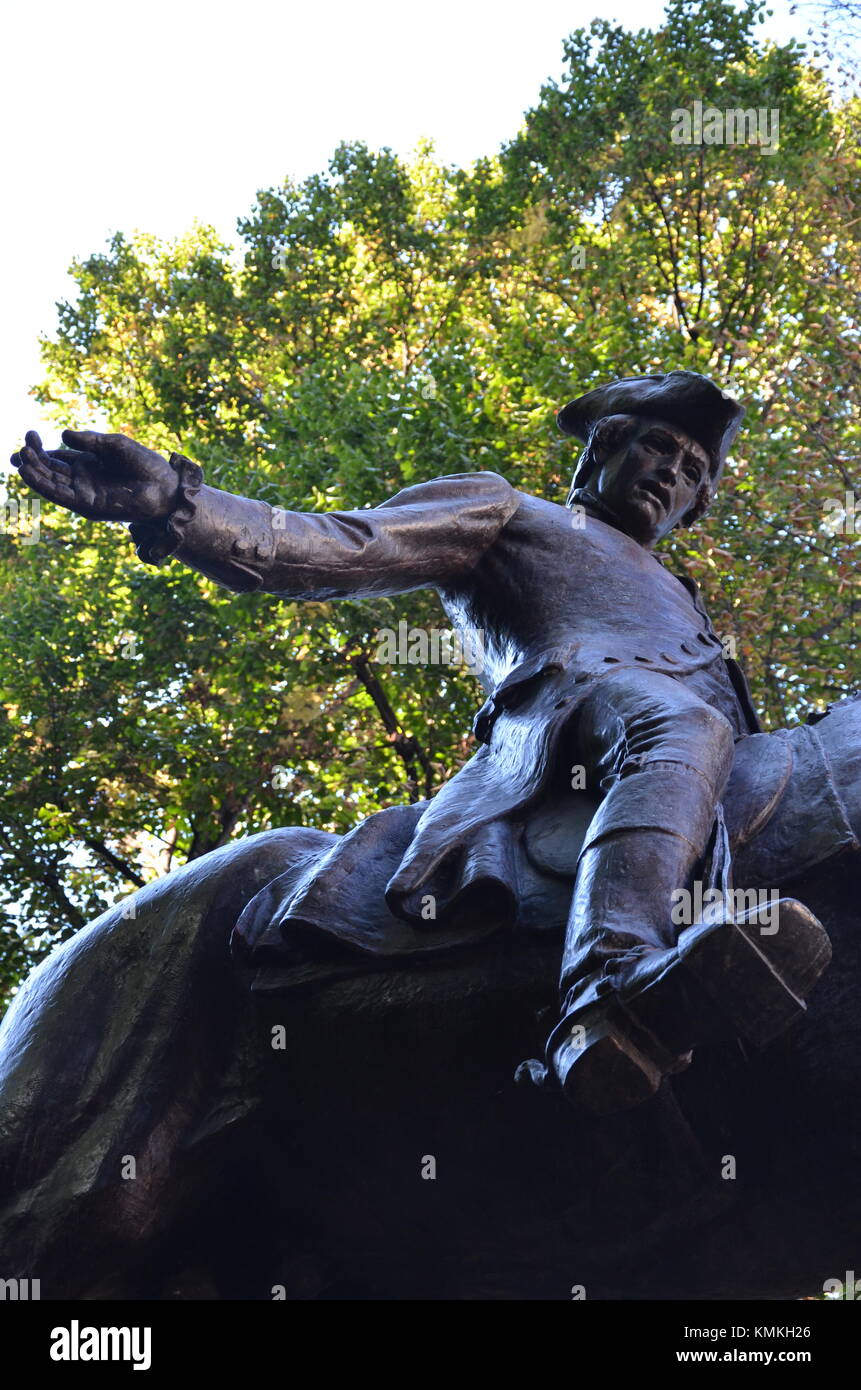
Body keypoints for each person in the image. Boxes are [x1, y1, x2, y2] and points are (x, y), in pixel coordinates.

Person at [12, 371, 852, 1114]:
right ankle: (608, 983)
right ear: (602, 448)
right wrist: (180, 507)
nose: (674, 470)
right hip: (565, 726)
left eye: (695, 471)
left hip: (678, 768)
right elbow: (347, 545)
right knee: (680, 721)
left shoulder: (686, 599)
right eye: (659, 445)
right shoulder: (507, 512)